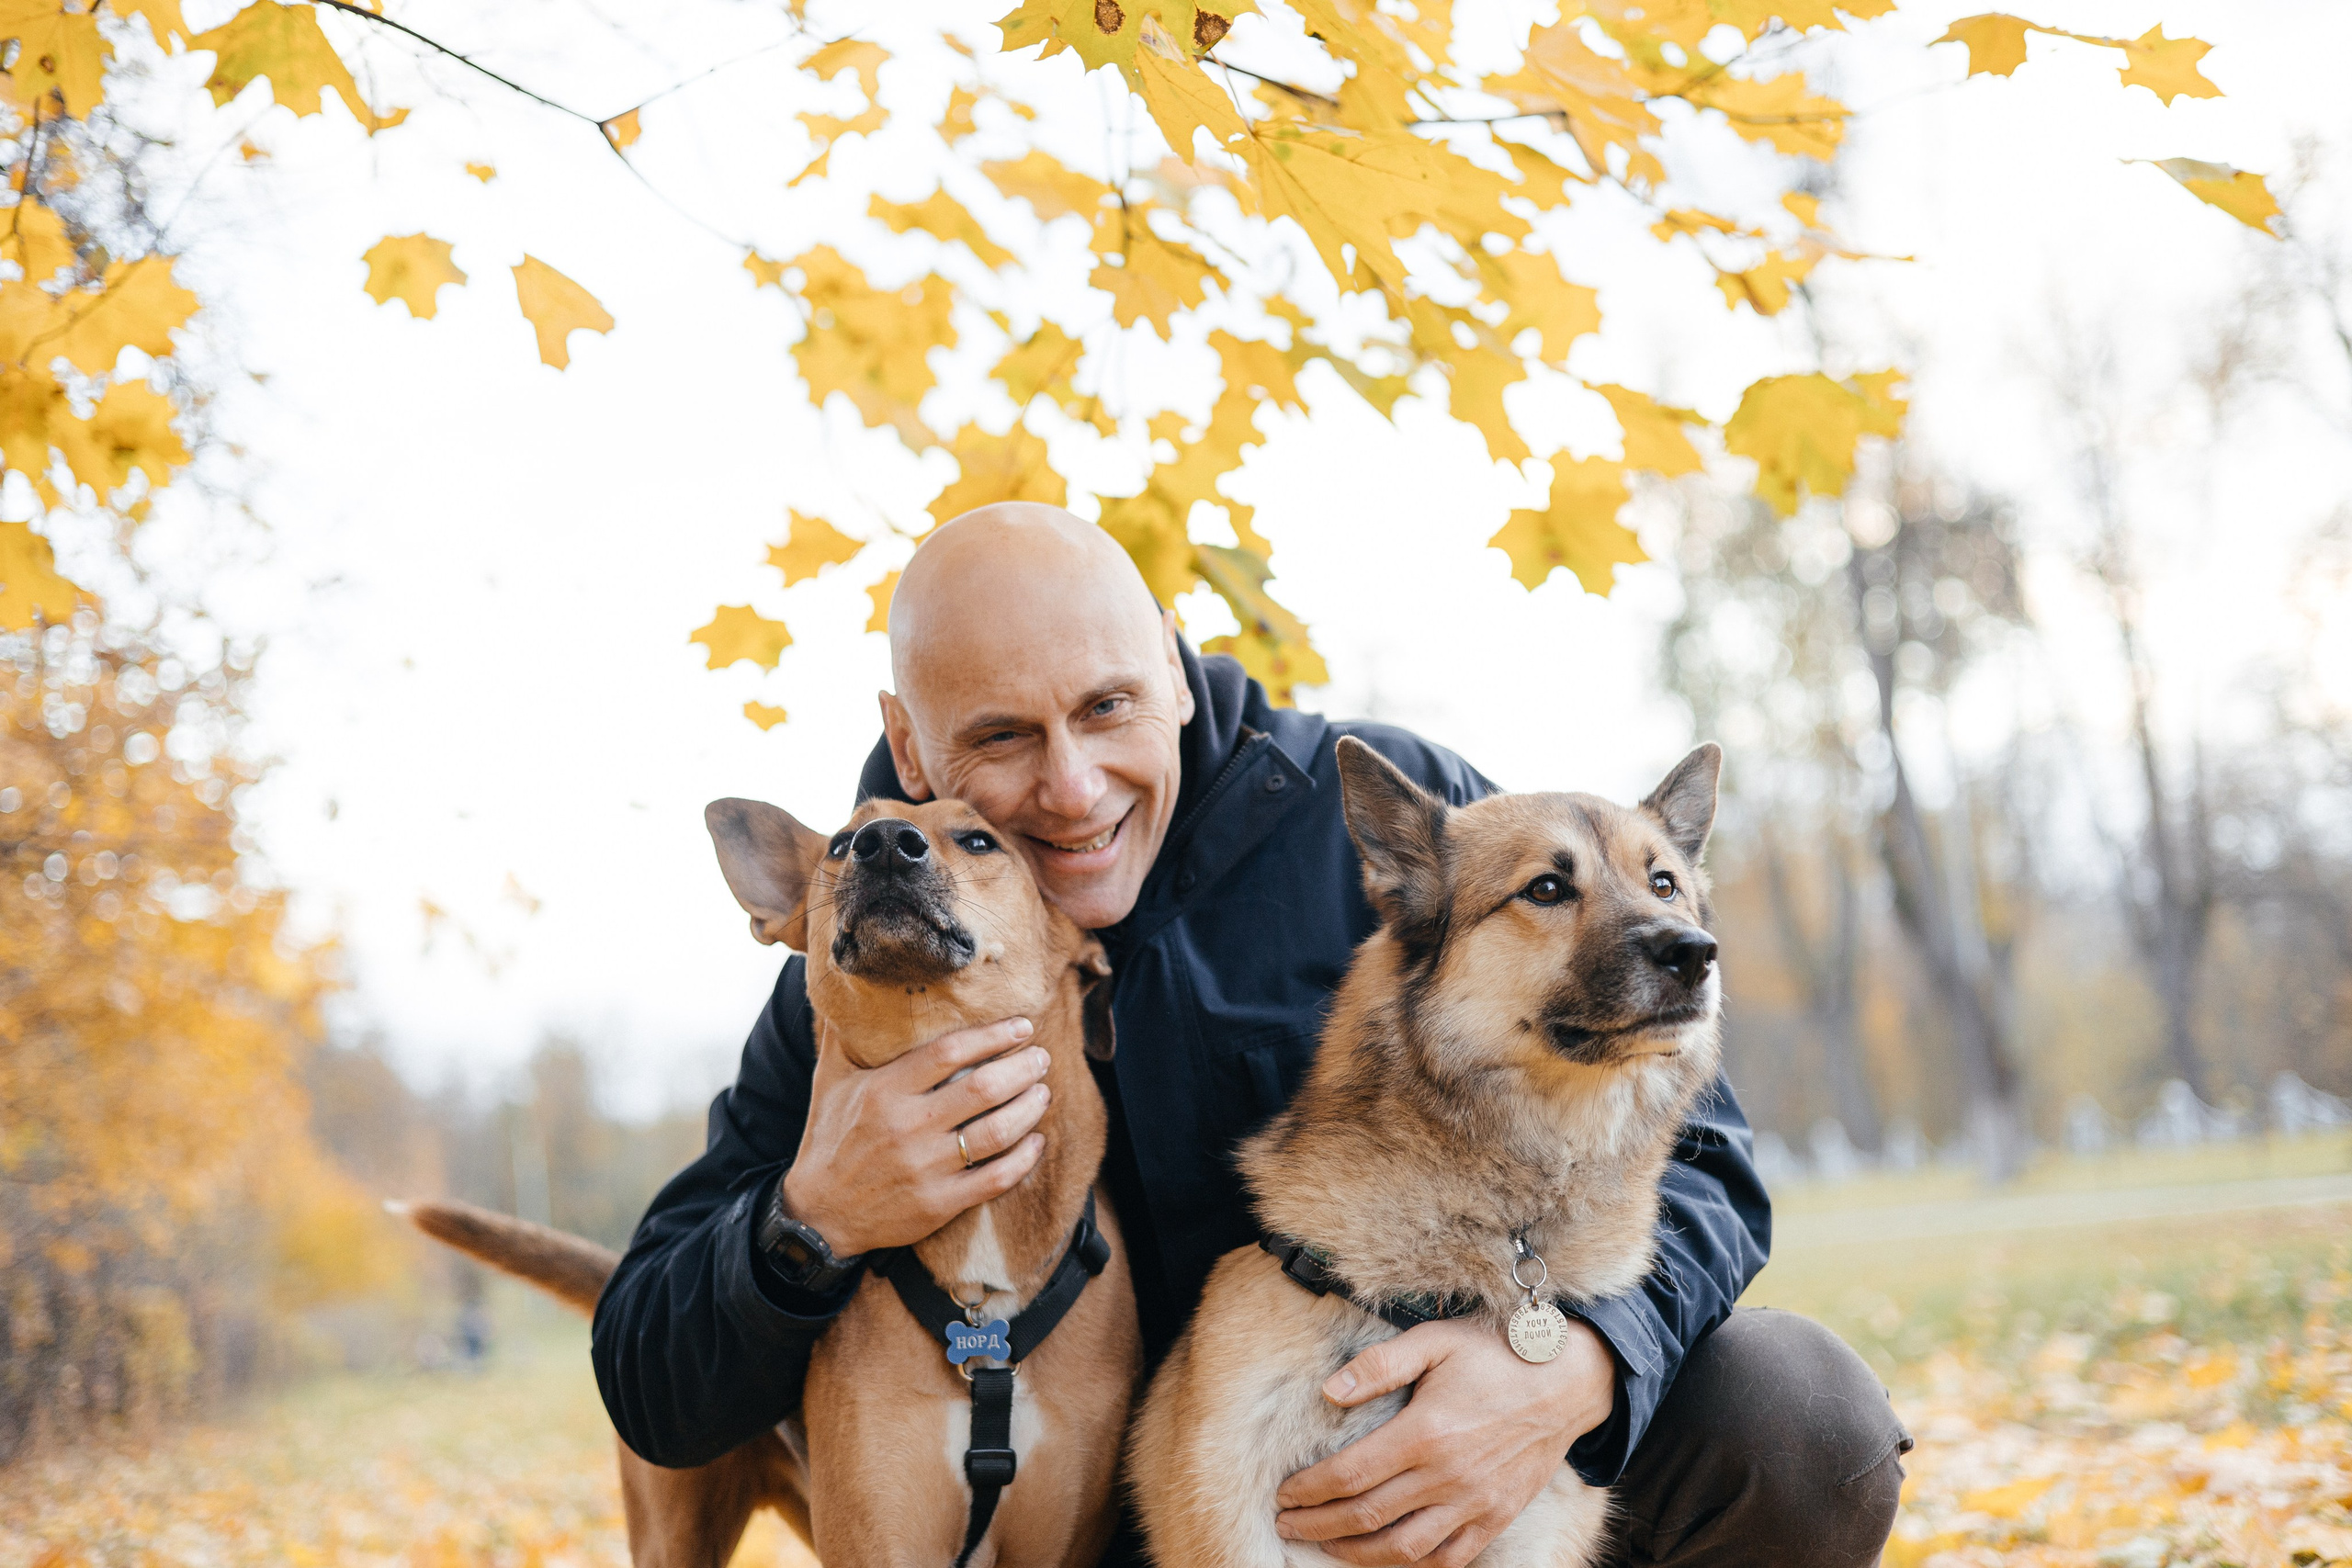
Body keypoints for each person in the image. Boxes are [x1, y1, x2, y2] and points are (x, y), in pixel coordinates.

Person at [592, 503, 1909, 1567]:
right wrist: (810, 1219)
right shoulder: (874, 965)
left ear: (1170, 662)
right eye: (1000, 739)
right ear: (910, 743)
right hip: (1139, 1520)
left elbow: (1708, 1168)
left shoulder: (1402, 826)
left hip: (1467, 1417)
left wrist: (1580, 1367)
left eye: (1107, 707)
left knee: (1799, 1421)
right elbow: (652, 1374)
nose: (1070, 786)